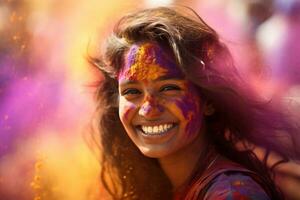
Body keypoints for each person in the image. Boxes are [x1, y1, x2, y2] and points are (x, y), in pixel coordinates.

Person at [88, 6, 299, 200]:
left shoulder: (233, 193)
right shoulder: (162, 185)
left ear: (207, 100)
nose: (149, 109)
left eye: (169, 88)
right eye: (132, 91)